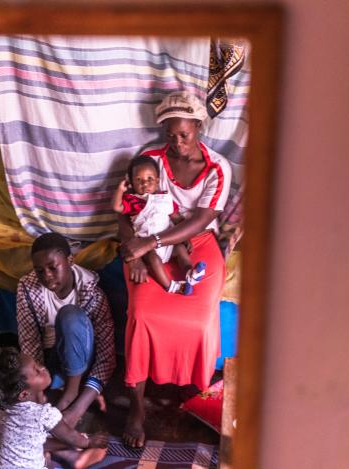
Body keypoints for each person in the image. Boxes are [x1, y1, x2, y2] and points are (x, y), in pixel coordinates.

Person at [118, 90, 232, 447]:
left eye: (184, 134)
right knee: (142, 314)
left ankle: (197, 394)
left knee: (199, 318)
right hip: (145, 245)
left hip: (196, 243)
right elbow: (125, 213)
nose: (177, 143)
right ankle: (137, 407)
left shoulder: (217, 168)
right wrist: (136, 254)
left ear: (199, 127)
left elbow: (202, 219)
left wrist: (153, 244)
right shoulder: (149, 162)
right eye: (170, 135)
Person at [17, 233, 116, 428]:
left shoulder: (92, 293)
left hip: (82, 365)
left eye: (53, 268)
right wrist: (37, 390)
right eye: (39, 271)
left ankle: (71, 394)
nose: (47, 276)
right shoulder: (27, 289)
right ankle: (60, 391)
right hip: (49, 367)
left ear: (70, 260)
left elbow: (107, 356)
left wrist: (77, 408)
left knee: (69, 315)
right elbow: (29, 341)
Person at [0, 349, 108, 469]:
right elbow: (71, 437)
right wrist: (88, 442)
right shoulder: (42, 414)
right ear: (24, 394)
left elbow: (30, 441)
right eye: (36, 371)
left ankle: (65, 458)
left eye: (37, 364)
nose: (42, 368)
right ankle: (72, 458)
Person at [111, 154, 207, 294]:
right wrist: (120, 189)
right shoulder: (132, 200)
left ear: (157, 181)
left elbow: (176, 218)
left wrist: (185, 237)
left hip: (168, 242)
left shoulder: (165, 198)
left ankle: (190, 272)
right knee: (153, 259)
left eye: (149, 179)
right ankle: (170, 286)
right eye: (139, 180)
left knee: (180, 249)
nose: (144, 183)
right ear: (131, 182)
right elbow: (116, 207)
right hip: (146, 247)